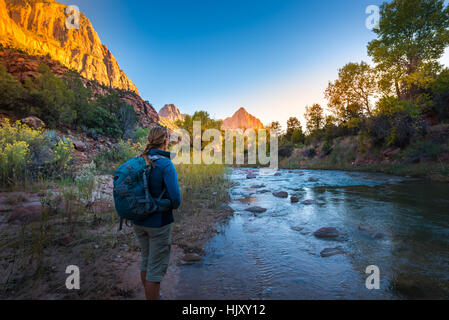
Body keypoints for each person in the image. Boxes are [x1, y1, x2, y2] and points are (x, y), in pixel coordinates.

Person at [133, 126, 181, 300]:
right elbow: (176, 199)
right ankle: (153, 296)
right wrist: (165, 203)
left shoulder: (139, 159)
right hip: (159, 223)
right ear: (165, 142)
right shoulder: (165, 163)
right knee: (155, 268)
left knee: (146, 260)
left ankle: (151, 295)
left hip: (138, 221)